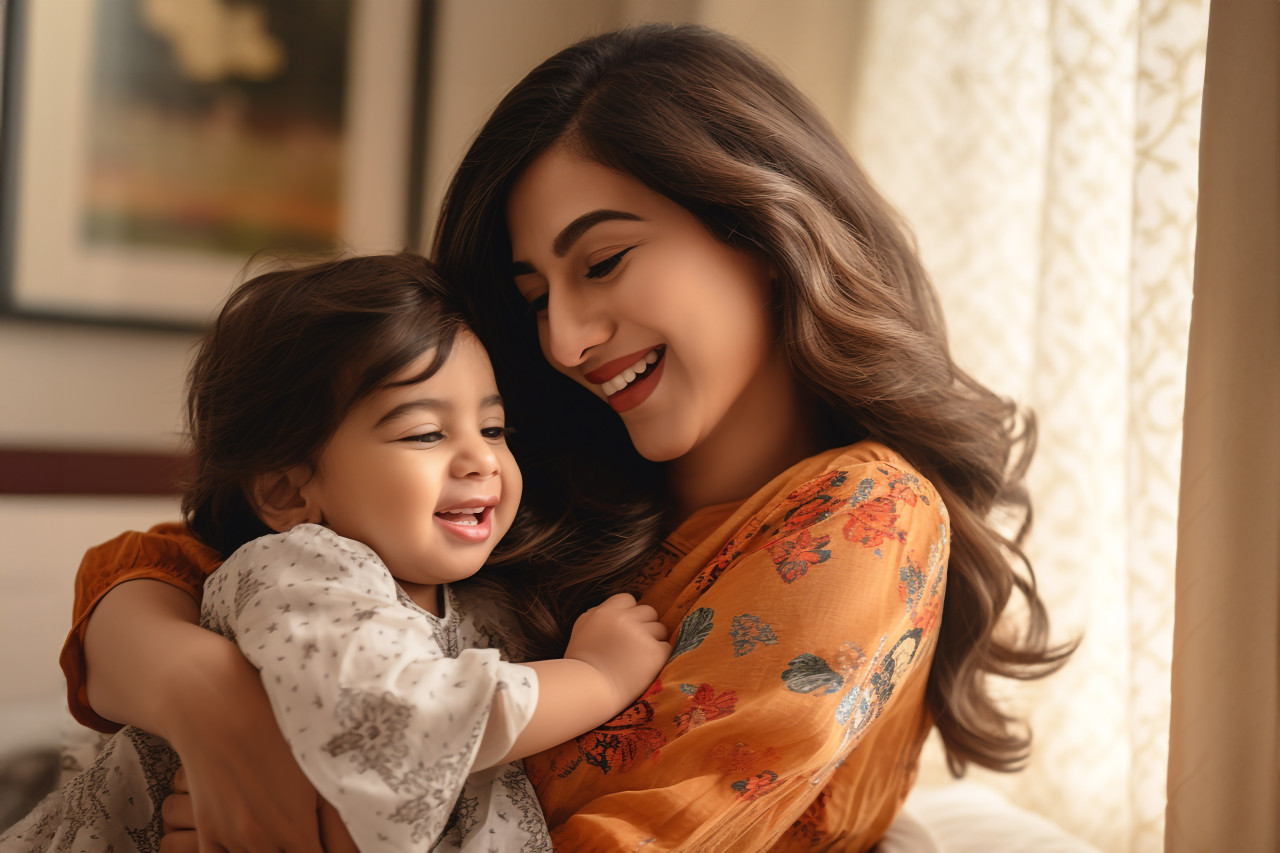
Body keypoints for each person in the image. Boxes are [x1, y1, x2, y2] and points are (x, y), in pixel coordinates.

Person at [54, 24, 1073, 852]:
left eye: (605, 260)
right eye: (531, 292)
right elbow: (175, 566)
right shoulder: (520, 473)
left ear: (765, 233)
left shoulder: (861, 516)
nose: (564, 338)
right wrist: (212, 704)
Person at [0, 253, 669, 852]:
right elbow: (400, 724)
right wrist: (598, 677)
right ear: (291, 490)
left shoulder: (482, 599)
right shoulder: (299, 572)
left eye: (494, 427)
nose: (481, 459)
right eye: (427, 432)